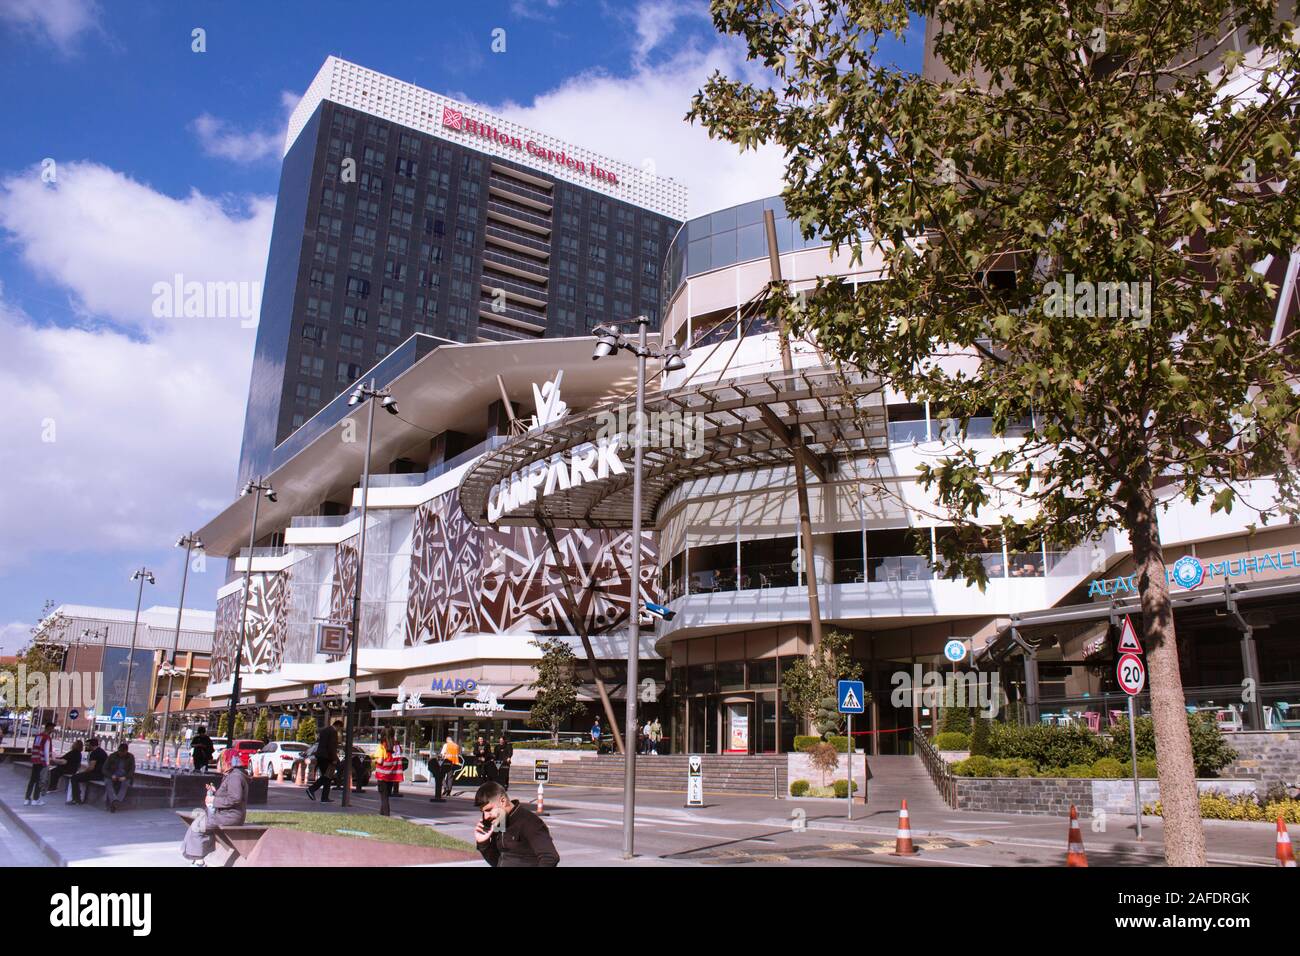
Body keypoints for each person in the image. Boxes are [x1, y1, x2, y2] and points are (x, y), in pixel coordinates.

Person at [181, 750, 250, 866]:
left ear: (226, 761)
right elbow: (230, 795)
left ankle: (199, 861)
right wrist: (214, 792)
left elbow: (235, 798)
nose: (218, 764)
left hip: (230, 816)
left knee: (198, 826)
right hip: (228, 815)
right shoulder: (233, 775)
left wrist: (213, 800)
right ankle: (198, 858)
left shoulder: (235, 776)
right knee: (198, 823)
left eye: (219, 761)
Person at [473, 781, 559, 867]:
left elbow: (550, 857)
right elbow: (498, 861)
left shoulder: (529, 821)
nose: (486, 816)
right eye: (483, 812)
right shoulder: (500, 821)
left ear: (503, 801)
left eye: (489, 810)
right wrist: (483, 844)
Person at [306, 719, 341, 802]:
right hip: (327, 758)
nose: (339, 730)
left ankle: (324, 797)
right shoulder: (333, 732)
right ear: (338, 726)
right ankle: (312, 789)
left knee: (327, 777)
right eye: (340, 728)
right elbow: (331, 747)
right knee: (327, 776)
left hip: (321, 756)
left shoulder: (325, 730)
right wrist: (335, 759)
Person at [23, 720, 55, 806]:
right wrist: (48, 763)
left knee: (32, 780)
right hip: (42, 762)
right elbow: (46, 751)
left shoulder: (38, 736)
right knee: (39, 780)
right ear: (49, 728)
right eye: (52, 728)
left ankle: (27, 799)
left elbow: (35, 748)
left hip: (35, 760)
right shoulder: (47, 738)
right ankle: (35, 799)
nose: (53, 730)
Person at [373, 729, 404, 817]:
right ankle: (381, 814)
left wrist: (374, 759)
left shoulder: (382, 746)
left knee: (384, 796)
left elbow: (380, 761)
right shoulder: (397, 746)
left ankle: (386, 815)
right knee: (386, 795)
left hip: (382, 774)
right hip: (392, 774)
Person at [70, 737, 107, 805]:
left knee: (74, 778)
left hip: (97, 774)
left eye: (87, 745)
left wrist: (82, 772)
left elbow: (91, 768)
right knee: (78, 776)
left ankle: (76, 799)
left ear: (91, 745)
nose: (86, 747)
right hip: (101, 774)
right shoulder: (101, 751)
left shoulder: (94, 753)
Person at [103, 742, 135, 812]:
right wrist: (111, 775)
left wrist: (125, 777)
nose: (121, 754)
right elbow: (104, 769)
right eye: (120, 751)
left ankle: (116, 801)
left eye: (123, 752)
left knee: (125, 784)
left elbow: (132, 770)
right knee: (108, 782)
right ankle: (114, 799)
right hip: (113, 775)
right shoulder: (112, 756)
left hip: (124, 776)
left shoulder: (130, 757)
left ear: (126, 751)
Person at [431, 733, 461, 801]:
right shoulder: (456, 746)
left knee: (441, 775)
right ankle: (449, 791)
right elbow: (458, 754)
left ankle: (445, 787)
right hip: (454, 762)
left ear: (447, 740)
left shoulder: (446, 745)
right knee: (450, 777)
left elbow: (442, 753)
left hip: (446, 762)